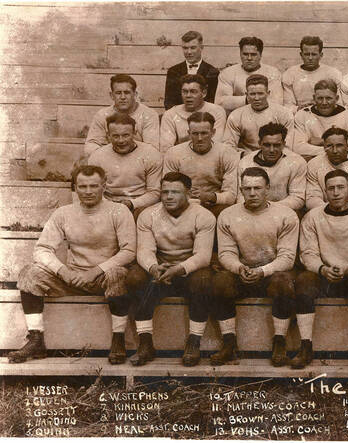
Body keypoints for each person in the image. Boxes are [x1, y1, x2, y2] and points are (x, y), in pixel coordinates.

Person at [10, 166, 136, 365]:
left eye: (94, 186)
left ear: (104, 186)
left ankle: (118, 338)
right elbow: (42, 249)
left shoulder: (118, 211)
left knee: (119, 274)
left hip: (104, 278)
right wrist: (63, 271)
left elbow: (129, 251)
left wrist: (95, 271)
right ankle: (36, 338)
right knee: (30, 273)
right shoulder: (64, 213)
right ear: (75, 188)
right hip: (73, 277)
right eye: (82, 186)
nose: (88, 191)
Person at [212, 167, 299, 366]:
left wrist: (262, 271)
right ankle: (228, 343)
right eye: (247, 188)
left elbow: (287, 257)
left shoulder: (286, 215)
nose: (252, 193)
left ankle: (279, 341)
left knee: (283, 281)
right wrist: (238, 268)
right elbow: (226, 253)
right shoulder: (228, 215)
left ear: (267, 188)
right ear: (241, 190)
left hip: (271, 272)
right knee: (220, 281)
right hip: (243, 273)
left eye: (257, 188)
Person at [127, 172, 216, 366]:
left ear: (188, 193)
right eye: (165, 191)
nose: (168, 197)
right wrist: (153, 267)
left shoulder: (203, 216)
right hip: (160, 269)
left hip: (188, 270)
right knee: (134, 277)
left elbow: (202, 256)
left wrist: (179, 269)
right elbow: (144, 250)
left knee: (203, 279)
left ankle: (194, 341)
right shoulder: (148, 215)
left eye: (175, 192)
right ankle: (145, 343)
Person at [295, 170, 348, 369]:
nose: (336, 193)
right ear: (325, 192)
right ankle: (305, 345)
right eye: (331, 188)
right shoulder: (313, 217)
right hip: (323, 274)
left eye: (341, 187)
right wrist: (322, 269)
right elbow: (308, 254)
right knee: (304, 281)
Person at [162, 112, 239, 217]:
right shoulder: (174, 153)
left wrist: (209, 196)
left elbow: (231, 196)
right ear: (189, 133)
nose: (199, 138)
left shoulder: (227, 153)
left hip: (214, 204)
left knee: (227, 213)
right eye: (195, 133)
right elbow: (167, 187)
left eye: (204, 133)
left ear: (213, 132)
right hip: (183, 203)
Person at [85, 113, 162, 215]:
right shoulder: (97, 156)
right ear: (108, 136)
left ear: (134, 133)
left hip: (140, 206)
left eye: (126, 135)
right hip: (107, 205)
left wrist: (131, 204)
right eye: (115, 136)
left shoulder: (151, 153)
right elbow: (93, 189)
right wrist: (109, 205)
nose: (121, 140)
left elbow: (154, 192)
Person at [236, 123, 307, 212]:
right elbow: (241, 196)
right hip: (252, 210)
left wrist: (268, 208)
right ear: (259, 144)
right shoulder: (246, 162)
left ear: (284, 144)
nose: (272, 150)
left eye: (277, 145)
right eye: (267, 145)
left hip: (283, 211)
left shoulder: (297, 162)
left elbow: (297, 198)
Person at [85, 74, 160, 155]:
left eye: (127, 92)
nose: (123, 97)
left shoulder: (149, 115)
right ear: (111, 95)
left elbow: (151, 148)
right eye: (118, 93)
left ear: (135, 94)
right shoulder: (102, 115)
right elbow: (91, 145)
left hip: (138, 159)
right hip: (109, 158)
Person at [290, 79, 348, 160]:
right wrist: (338, 147)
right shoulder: (302, 114)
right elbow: (298, 147)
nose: (324, 102)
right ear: (314, 98)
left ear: (336, 98)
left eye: (328, 98)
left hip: (343, 161)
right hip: (314, 162)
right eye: (320, 98)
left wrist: (322, 142)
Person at [223, 74, 294, 155]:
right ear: (246, 95)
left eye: (260, 93)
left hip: (276, 156)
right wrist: (245, 155)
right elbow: (228, 146)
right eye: (252, 94)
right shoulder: (236, 115)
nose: (256, 98)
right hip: (247, 158)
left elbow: (287, 146)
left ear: (268, 93)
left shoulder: (284, 114)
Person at [305, 127, 348, 210]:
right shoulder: (314, 164)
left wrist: (346, 211)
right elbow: (312, 197)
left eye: (339, 145)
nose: (334, 151)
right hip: (324, 211)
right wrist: (330, 211)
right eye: (329, 146)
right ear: (324, 147)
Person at [216, 36, 283, 113]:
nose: (249, 58)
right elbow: (220, 102)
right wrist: (247, 99)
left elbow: (276, 102)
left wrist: (241, 100)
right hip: (237, 118)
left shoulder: (272, 72)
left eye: (253, 54)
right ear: (240, 54)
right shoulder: (228, 73)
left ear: (260, 55)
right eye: (245, 54)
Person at [159, 74, 226, 151]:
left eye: (193, 92)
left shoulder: (217, 111)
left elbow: (216, 144)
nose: (188, 96)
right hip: (181, 158)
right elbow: (166, 147)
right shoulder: (170, 114)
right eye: (184, 92)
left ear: (204, 93)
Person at [281, 35, 342, 113]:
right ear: (301, 55)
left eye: (314, 54)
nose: (310, 58)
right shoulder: (290, 74)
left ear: (321, 55)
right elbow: (287, 106)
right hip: (301, 115)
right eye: (307, 54)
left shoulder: (333, 73)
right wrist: (298, 108)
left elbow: (339, 103)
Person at [164, 31, 219, 110]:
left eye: (193, 48)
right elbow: (169, 102)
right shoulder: (173, 71)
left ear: (201, 47)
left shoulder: (212, 71)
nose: (189, 52)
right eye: (185, 48)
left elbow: (212, 101)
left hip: (202, 118)